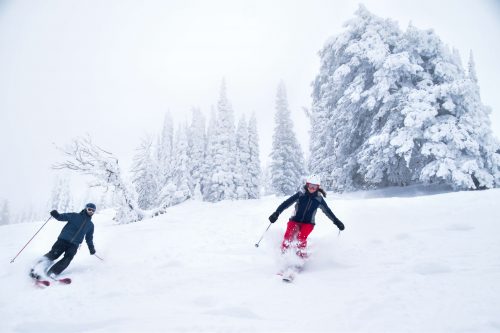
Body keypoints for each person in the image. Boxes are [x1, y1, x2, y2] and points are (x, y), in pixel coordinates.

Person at [268, 175, 345, 258]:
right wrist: (277, 213)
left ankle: (300, 257)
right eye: (310, 186)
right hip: (295, 220)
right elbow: (287, 203)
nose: (312, 188)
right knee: (288, 236)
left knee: (301, 238)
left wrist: (336, 221)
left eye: (314, 187)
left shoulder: (319, 199)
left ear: (318, 187)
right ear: (307, 185)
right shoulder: (301, 194)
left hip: (308, 223)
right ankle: (283, 254)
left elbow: (328, 211)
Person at [30, 203, 97, 279]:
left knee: (67, 259)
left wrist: (91, 248)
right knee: (54, 254)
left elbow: (89, 238)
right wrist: (56, 215)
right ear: (85, 209)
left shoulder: (90, 225)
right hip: (63, 240)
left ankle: (52, 273)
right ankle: (36, 266)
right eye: (89, 209)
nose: (91, 212)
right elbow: (61, 217)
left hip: (74, 245)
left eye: (93, 211)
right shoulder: (75, 216)